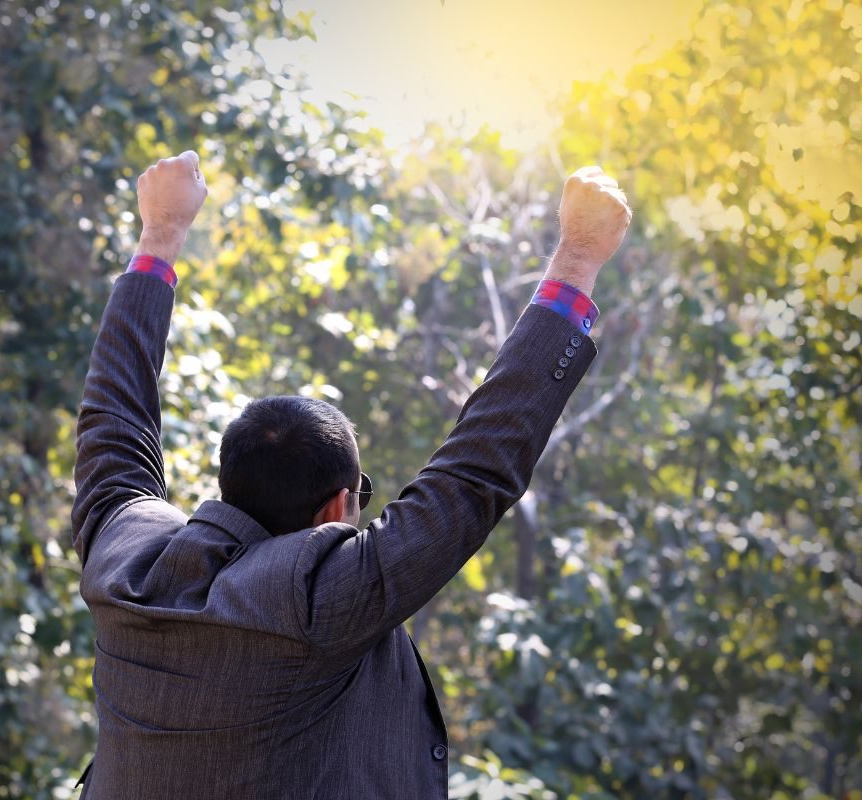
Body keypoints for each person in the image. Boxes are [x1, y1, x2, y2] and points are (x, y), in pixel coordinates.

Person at [71, 149, 631, 799]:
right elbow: (474, 475)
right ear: (337, 508)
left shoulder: (125, 560)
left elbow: (113, 421)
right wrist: (580, 254)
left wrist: (161, 230)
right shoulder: (315, 602)